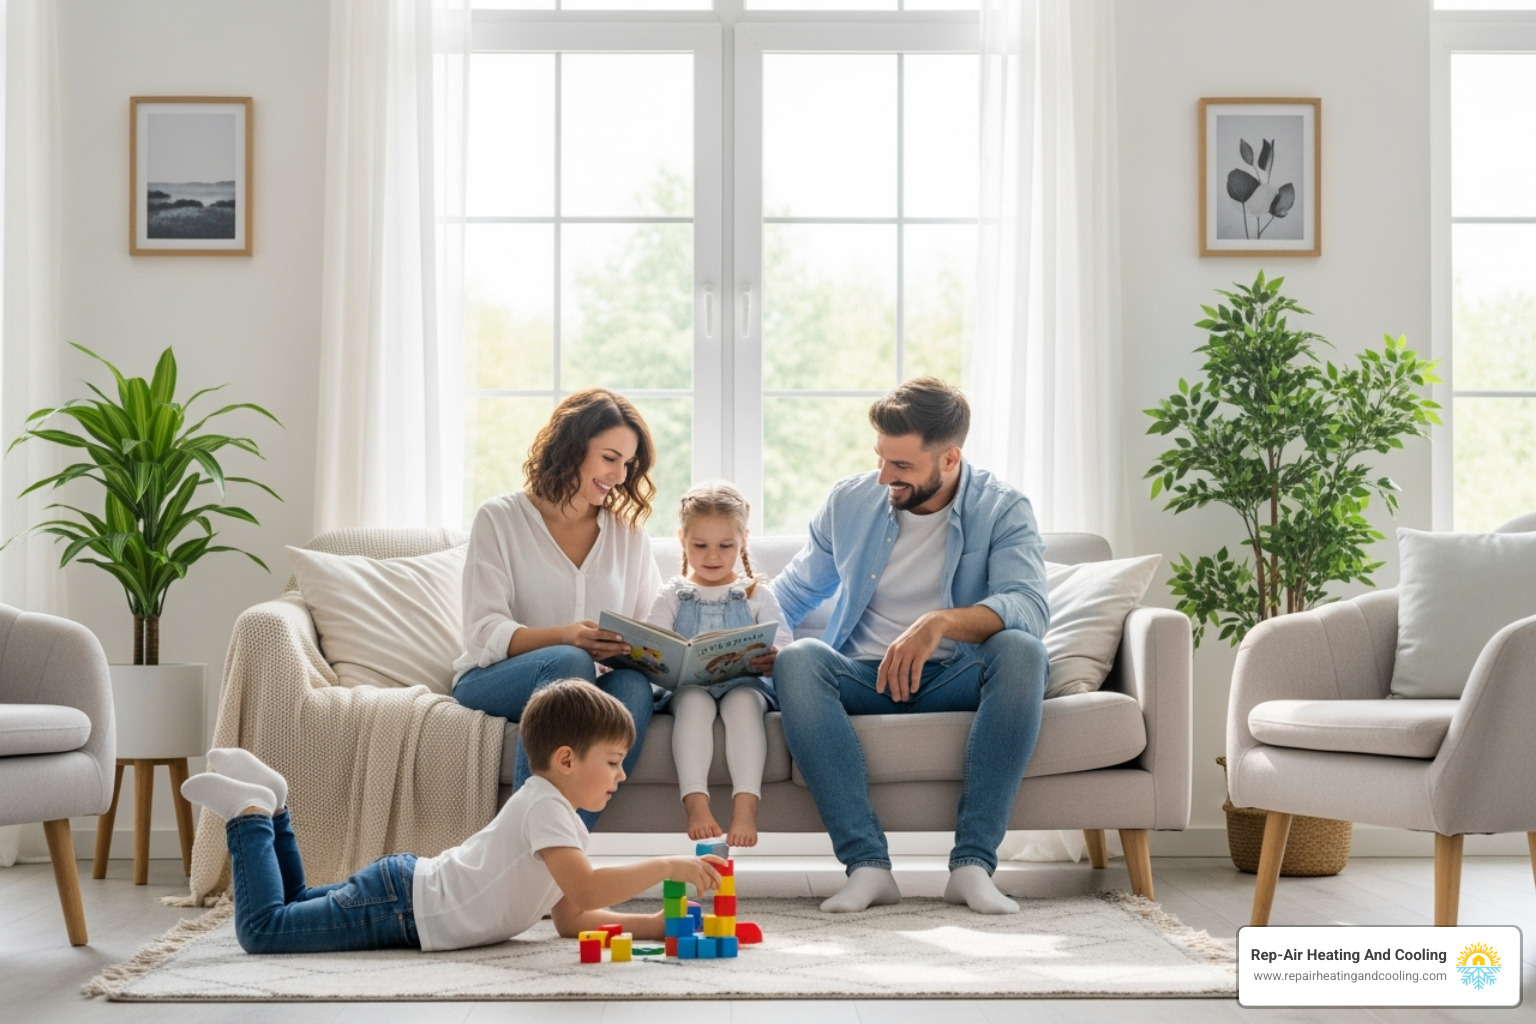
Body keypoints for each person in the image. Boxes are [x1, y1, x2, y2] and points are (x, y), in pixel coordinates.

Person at [771, 376, 1050, 916]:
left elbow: (1028, 607)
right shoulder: (850, 501)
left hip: (956, 677)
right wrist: (730, 635)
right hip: (864, 678)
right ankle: (868, 867)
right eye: (881, 458)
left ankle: (972, 866)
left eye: (901, 467)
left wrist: (939, 623)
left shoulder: (1003, 508)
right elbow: (795, 591)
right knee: (799, 658)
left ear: (949, 459)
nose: (884, 477)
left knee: (1023, 652)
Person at [180, 680, 725, 954]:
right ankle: (251, 815)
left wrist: (651, 927)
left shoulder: (558, 817)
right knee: (263, 931)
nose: (621, 775)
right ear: (565, 760)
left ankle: (275, 808)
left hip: (402, 891)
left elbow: (569, 920)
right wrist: (666, 866)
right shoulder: (545, 807)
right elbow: (583, 890)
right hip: (401, 910)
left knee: (295, 907)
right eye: (611, 763)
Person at [451, 388, 663, 825]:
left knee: (633, 688)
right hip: (495, 678)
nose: (620, 476)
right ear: (571, 448)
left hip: (592, 682)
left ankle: (555, 858)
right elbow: (483, 630)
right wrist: (567, 637)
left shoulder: (628, 534)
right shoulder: (500, 518)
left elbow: (648, 623)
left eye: (627, 464)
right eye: (610, 458)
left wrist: (638, 652)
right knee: (569, 663)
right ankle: (534, 851)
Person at [644, 481, 794, 848]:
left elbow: (785, 647)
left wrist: (772, 658)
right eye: (700, 546)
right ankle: (696, 804)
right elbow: (652, 647)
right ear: (682, 539)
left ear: (743, 539)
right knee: (694, 704)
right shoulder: (673, 594)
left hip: (745, 684)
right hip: (689, 686)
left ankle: (746, 808)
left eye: (725, 546)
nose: (712, 556)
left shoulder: (756, 592)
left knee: (742, 704)